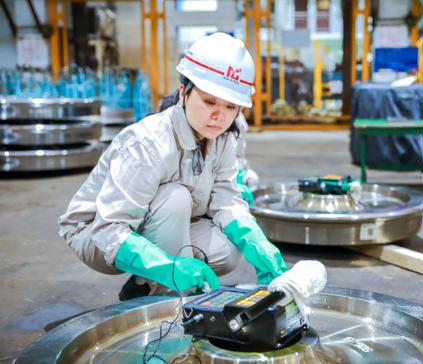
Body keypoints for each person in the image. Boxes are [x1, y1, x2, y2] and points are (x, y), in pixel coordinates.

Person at [58, 32, 287, 300]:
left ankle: (144, 283)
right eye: (209, 101)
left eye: (231, 106)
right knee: (175, 197)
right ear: (183, 92)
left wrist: (257, 244)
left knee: (228, 251)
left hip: (160, 222)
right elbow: (109, 229)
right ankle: (164, 301)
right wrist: (168, 268)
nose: (219, 115)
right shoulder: (147, 143)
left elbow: (225, 199)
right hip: (96, 233)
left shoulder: (224, 138)